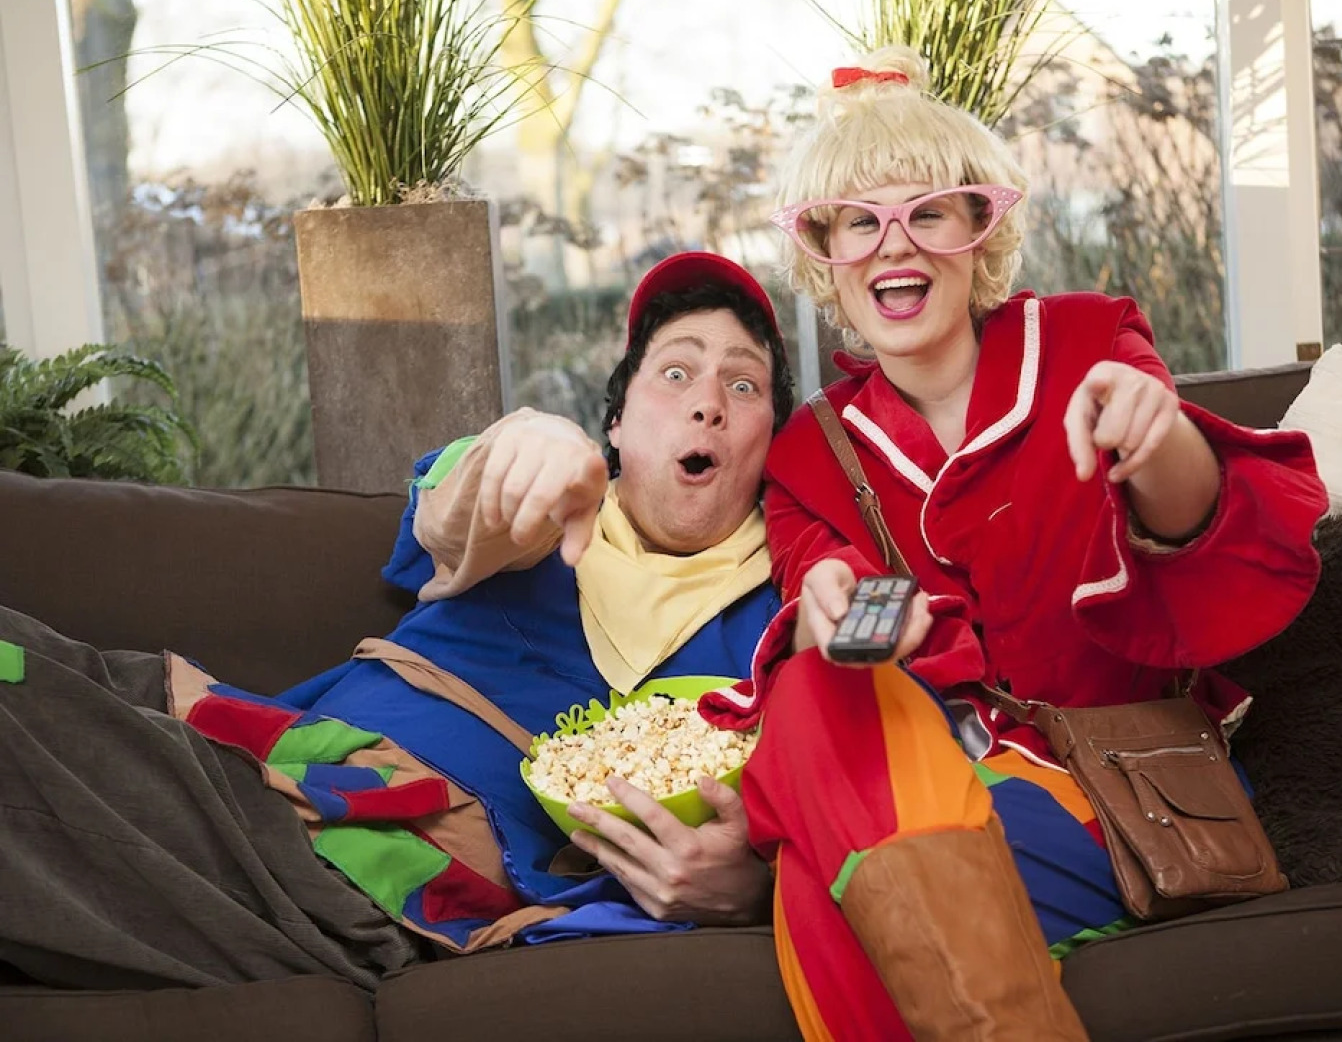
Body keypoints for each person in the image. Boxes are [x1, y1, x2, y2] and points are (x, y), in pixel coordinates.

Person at [698, 48, 1330, 1041]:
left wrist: (1159, 435)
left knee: (824, 892)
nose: (891, 245)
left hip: (1125, 792)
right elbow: (814, 582)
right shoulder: (808, 449)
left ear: (978, 232)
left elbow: (1194, 522)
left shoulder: (1090, 339)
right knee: (815, 690)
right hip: (937, 777)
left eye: (929, 212)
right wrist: (830, 597)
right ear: (824, 254)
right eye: (859, 222)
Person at [0, 251, 793, 989]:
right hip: (244, 753)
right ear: (615, 423)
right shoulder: (541, 510)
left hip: (365, 858)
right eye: (676, 371)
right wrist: (521, 445)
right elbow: (451, 519)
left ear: (770, 445)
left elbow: (831, 808)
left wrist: (756, 887)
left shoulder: (780, 620)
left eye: (744, 386)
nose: (706, 405)